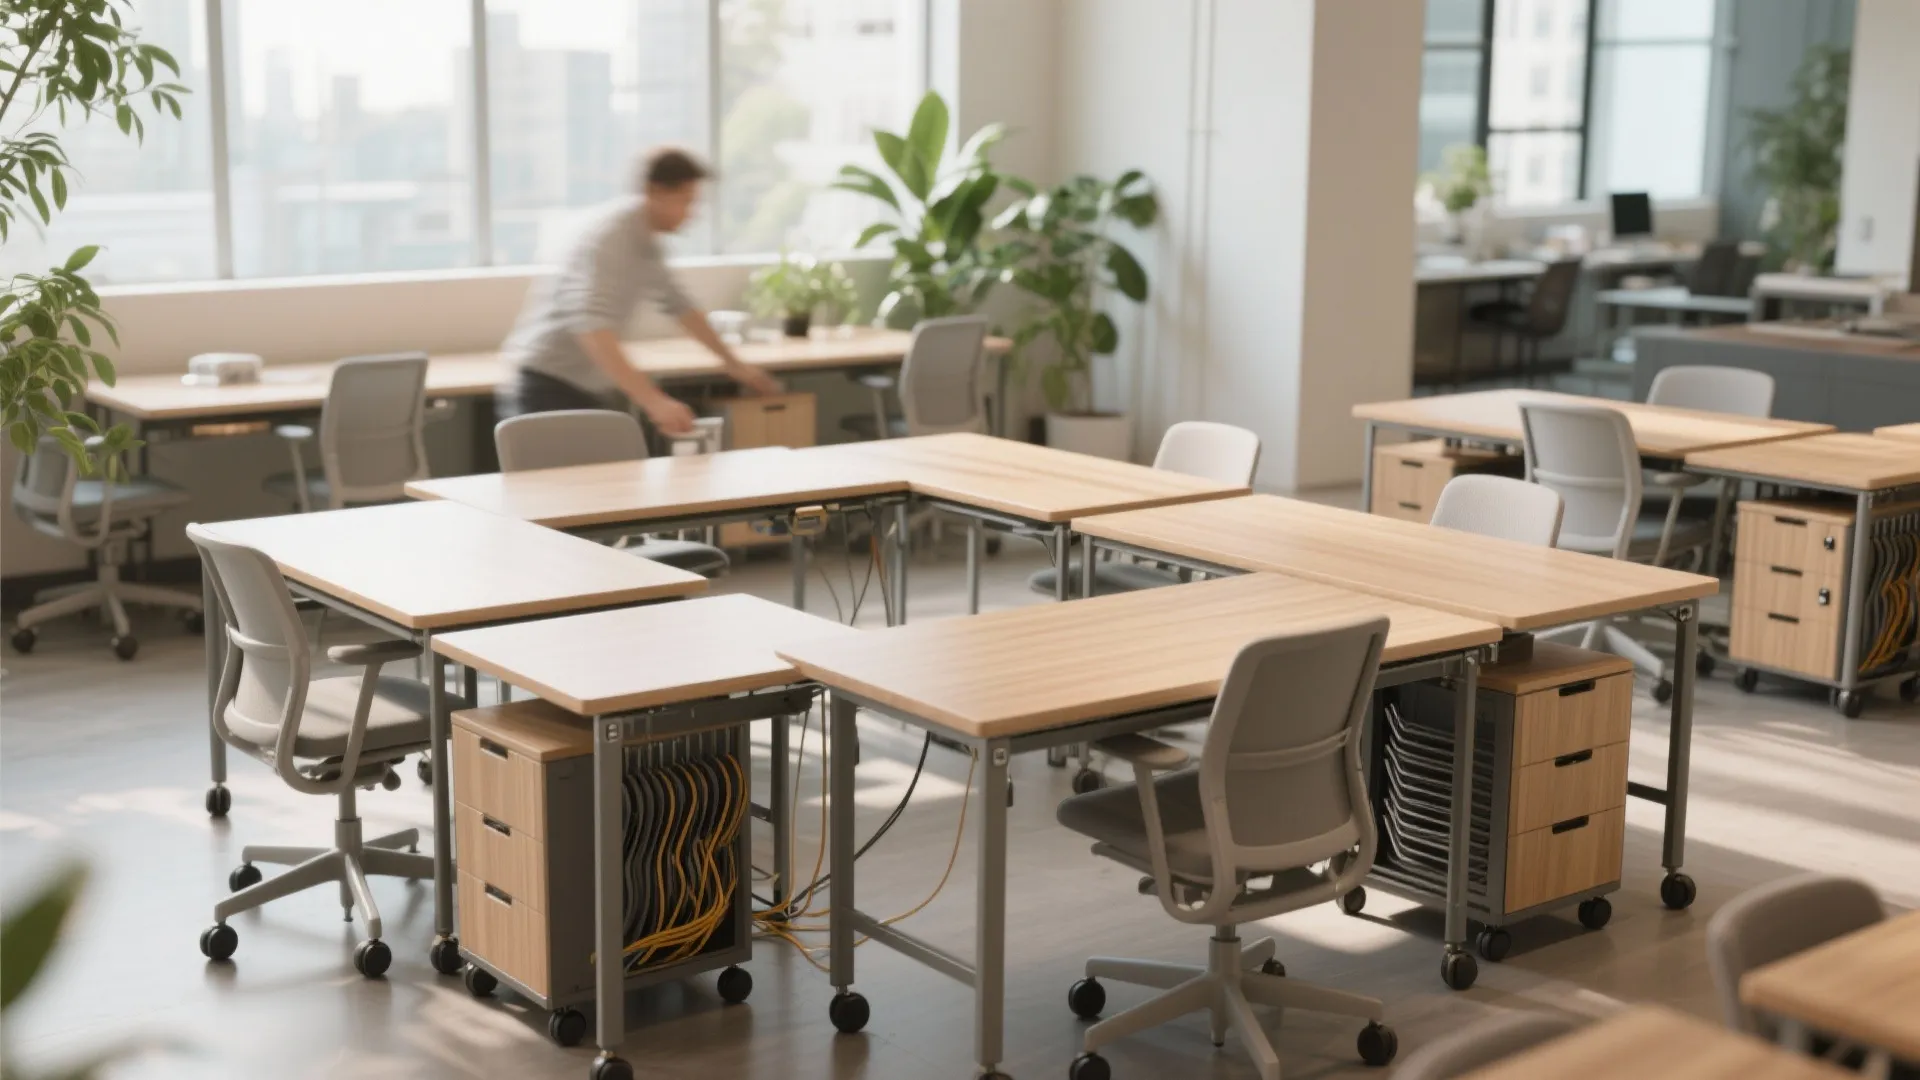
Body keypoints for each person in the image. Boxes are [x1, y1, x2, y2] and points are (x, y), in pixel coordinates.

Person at [495, 147, 781, 433]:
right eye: (684, 201)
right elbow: (592, 327)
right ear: (654, 191)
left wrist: (735, 365)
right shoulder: (612, 239)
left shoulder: (646, 241)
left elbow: (679, 305)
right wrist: (654, 402)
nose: (691, 214)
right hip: (547, 385)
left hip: (584, 386)